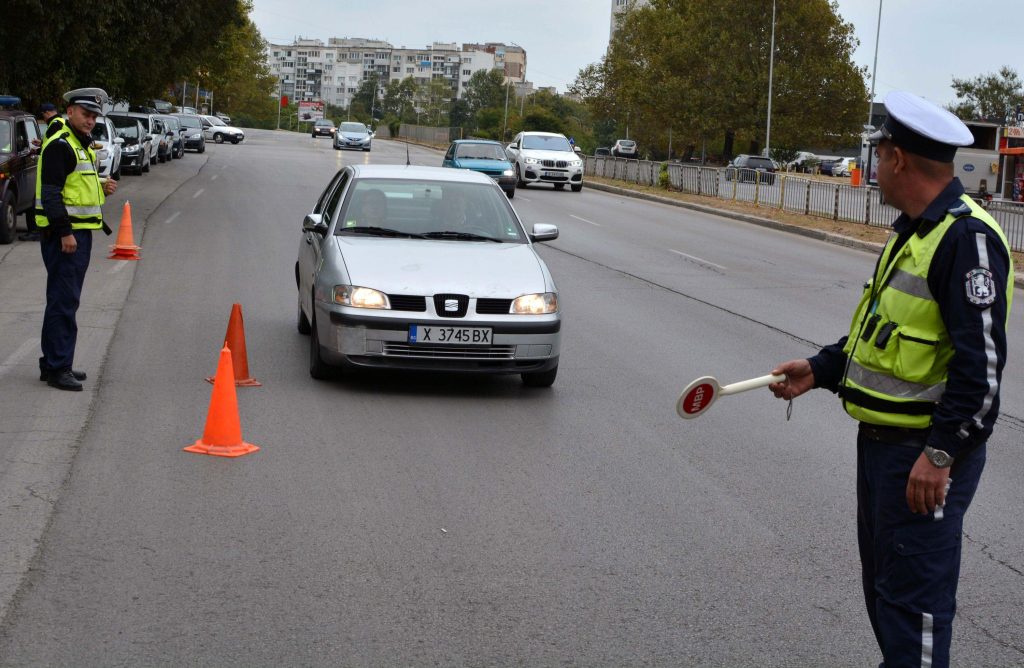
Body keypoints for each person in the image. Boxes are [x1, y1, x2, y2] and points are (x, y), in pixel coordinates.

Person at [768, 91, 1013, 667]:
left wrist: (941, 454)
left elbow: (983, 373)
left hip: (919, 456)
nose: (873, 168)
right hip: (882, 449)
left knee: (914, 610)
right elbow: (881, 330)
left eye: (878, 156)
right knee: (887, 597)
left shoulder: (965, 239)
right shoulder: (915, 230)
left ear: (898, 159)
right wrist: (822, 369)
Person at [35, 88, 117, 390]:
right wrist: (66, 233)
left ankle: (52, 363)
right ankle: (59, 368)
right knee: (64, 302)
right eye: (86, 114)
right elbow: (52, 193)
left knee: (60, 299)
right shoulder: (61, 145)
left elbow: (73, 184)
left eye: (94, 116)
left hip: (75, 233)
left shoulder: (78, 143)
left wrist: (100, 185)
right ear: (70, 111)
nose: (91, 121)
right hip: (65, 236)